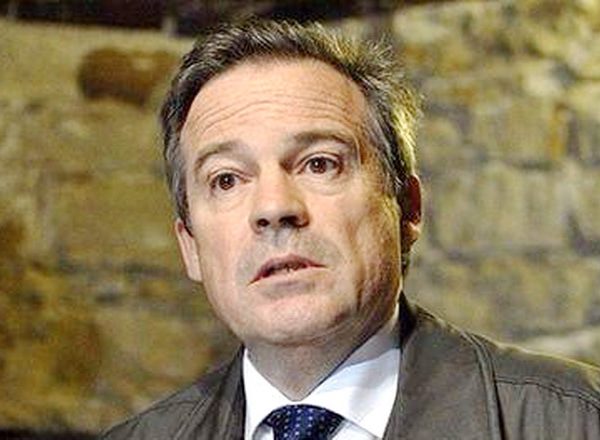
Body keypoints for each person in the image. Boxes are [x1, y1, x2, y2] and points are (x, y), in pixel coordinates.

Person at [101, 19, 600, 439]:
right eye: (227, 179)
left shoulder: (574, 421)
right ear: (189, 245)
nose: (273, 207)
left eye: (319, 164)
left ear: (407, 207)